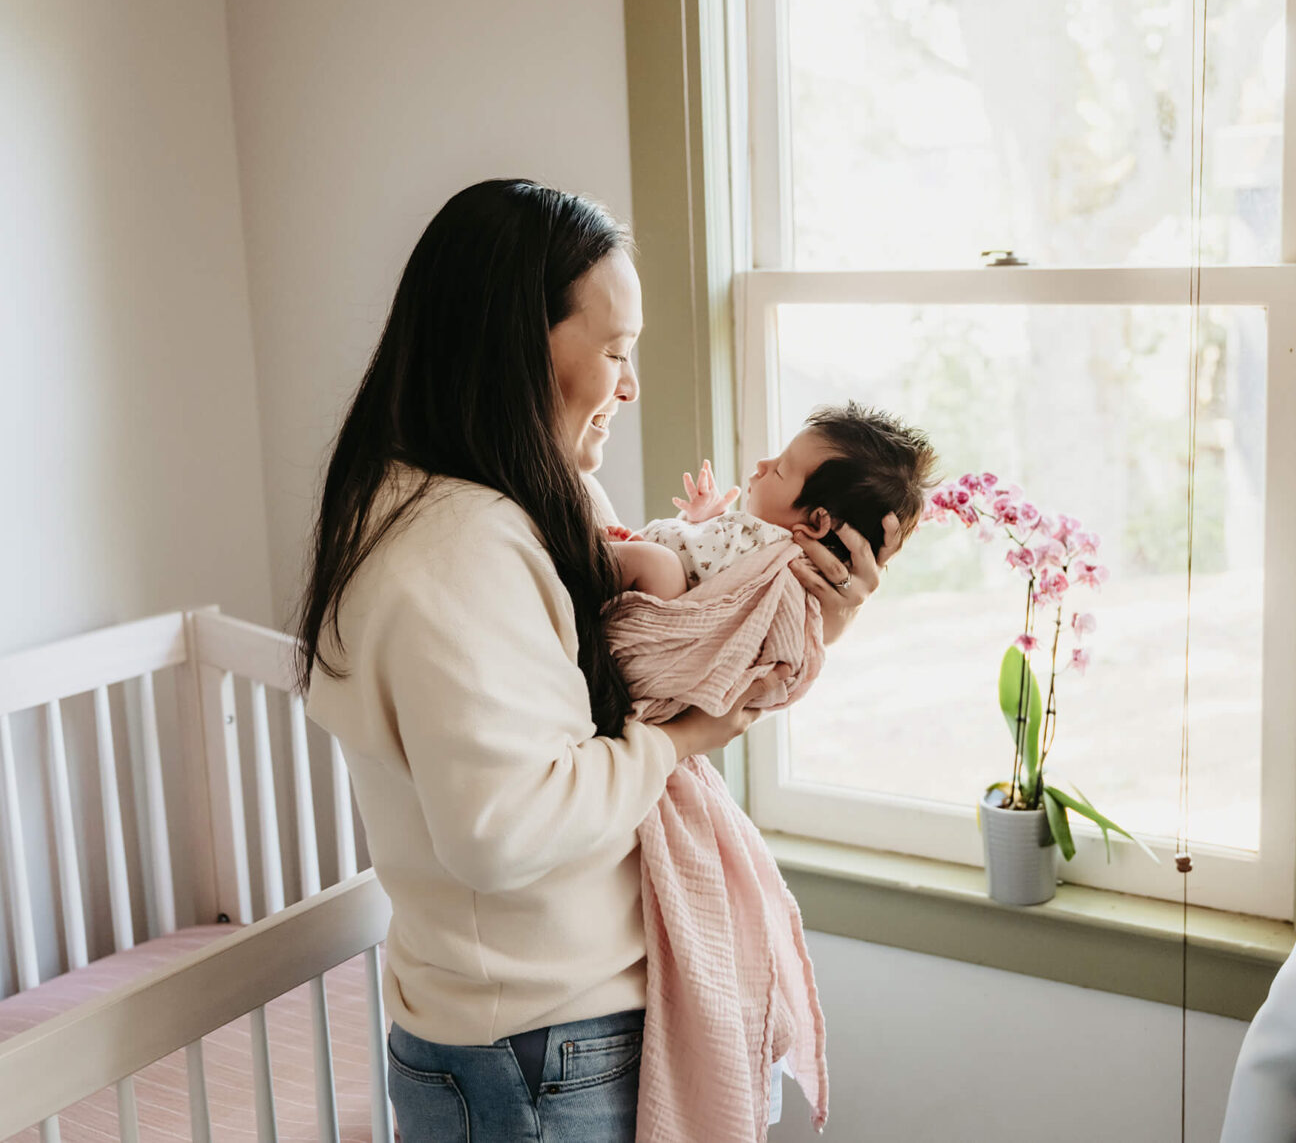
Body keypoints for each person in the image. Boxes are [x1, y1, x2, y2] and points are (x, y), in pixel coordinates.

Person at [296, 179, 899, 1143]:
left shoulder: (511, 499)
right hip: (537, 1047)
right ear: (513, 349)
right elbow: (503, 828)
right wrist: (682, 742)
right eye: (615, 351)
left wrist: (796, 622)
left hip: (542, 1033)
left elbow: (640, 676)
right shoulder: (460, 546)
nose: (630, 386)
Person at [609, 404, 936, 601]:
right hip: (662, 583)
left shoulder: (782, 556)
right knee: (649, 559)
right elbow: (705, 565)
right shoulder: (760, 539)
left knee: (653, 562)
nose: (764, 464)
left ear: (817, 521)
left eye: (780, 470)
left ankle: (584, 562)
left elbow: (696, 575)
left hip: (667, 601)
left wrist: (666, 539)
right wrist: (701, 518)